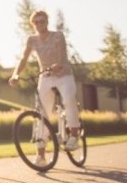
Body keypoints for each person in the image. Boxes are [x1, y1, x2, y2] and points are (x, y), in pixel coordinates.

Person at [9, 9, 81, 164]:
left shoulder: (57, 36)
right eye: (36, 22)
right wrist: (15, 75)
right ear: (32, 24)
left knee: (68, 100)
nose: (39, 24)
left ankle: (74, 135)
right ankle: (41, 156)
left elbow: (62, 53)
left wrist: (58, 64)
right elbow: (23, 58)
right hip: (46, 76)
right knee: (41, 114)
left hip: (64, 75)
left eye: (42, 21)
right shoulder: (32, 39)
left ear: (47, 22)